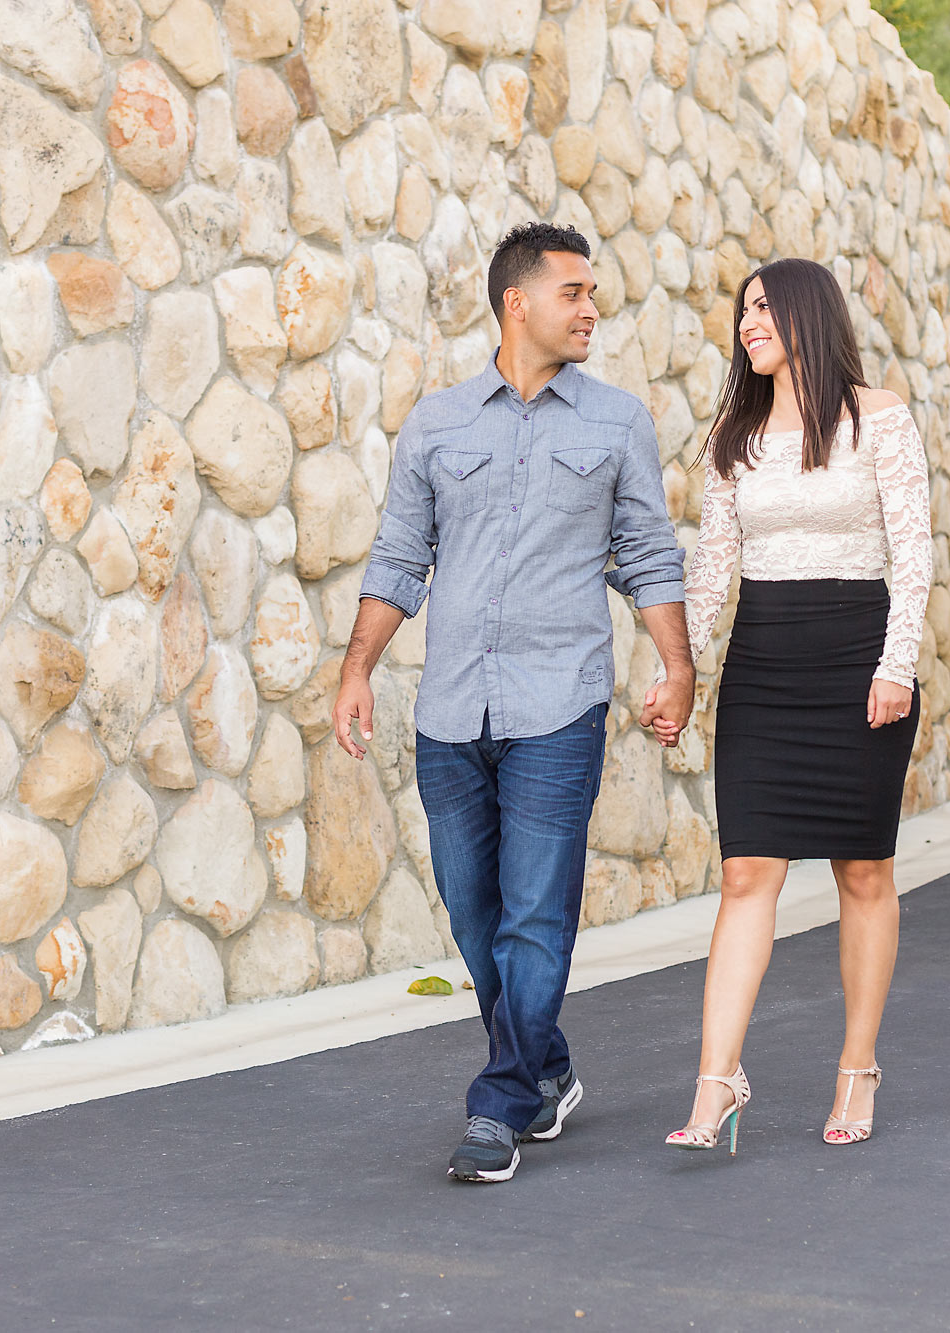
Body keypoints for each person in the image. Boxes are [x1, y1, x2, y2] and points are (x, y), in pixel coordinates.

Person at [334, 222, 696, 1184]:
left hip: (557, 709)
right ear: (517, 303)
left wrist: (678, 666)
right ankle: (549, 1068)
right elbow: (398, 558)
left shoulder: (616, 422)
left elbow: (650, 556)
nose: (591, 310)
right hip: (451, 712)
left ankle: (497, 1105)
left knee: (535, 918)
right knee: (475, 916)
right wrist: (357, 668)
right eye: (574, 293)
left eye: (592, 294)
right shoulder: (438, 423)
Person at [657, 257, 933, 1154]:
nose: (748, 323)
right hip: (766, 665)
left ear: (811, 312)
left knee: (863, 872)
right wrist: (684, 668)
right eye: (743, 310)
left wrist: (896, 664)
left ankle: (858, 1065)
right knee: (746, 874)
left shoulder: (880, 417)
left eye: (765, 307)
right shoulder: (735, 434)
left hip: (860, 658)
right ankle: (716, 1082)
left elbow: (913, 551)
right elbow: (711, 565)